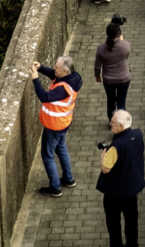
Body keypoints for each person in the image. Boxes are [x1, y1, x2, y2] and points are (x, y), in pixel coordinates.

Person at [31, 54, 81, 197]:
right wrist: (41, 68)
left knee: (47, 156)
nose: (54, 68)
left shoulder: (62, 89)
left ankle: (55, 187)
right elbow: (54, 74)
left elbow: (44, 97)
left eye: (57, 67)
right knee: (61, 149)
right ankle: (68, 179)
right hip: (63, 123)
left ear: (65, 71)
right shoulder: (74, 76)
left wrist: (35, 79)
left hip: (53, 126)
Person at [96, 108, 145, 247]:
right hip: (132, 189)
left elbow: (105, 169)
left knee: (113, 223)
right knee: (131, 220)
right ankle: (132, 244)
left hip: (115, 193)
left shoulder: (116, 146)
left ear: (121, 125)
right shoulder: (138, 134)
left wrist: (103, 157)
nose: (110, 124)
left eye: (112, 122)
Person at [93, 16, 131, 117]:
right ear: (119, 33)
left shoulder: (101, 48)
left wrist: (97, 75)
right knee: (121, 101)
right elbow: (126, 56)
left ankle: (111, 120)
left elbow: (98, 65)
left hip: (108, 80)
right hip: (123, 78)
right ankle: (121, 122)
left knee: (111, 100)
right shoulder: (125, 45)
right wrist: (122, 41)